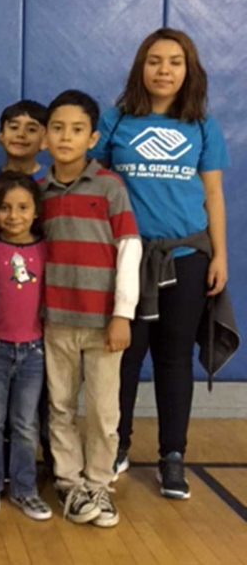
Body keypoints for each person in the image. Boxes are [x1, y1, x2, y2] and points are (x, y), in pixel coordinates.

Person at [91, 28, 234, 499]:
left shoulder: (201, 124)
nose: (164, 70)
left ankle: (173, 456)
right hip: (128, 257)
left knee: (174, 360)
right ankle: (117, 445)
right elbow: (92, 181)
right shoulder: (115, 121)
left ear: (188, 70)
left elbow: (213, 194)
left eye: (175, 61)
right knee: (126, 357)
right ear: (140, 66)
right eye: (155, 60)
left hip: (188, 258)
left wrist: (220, 255)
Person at [42, 90, 141, 527]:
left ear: (93, 137)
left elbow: (130, 249)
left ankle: (100, 482)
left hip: (103, 324)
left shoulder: (109, 186)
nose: (66, 136)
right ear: (45, 137)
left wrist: (123, 313)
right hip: (55, 321)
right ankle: (69, 483)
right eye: (58, 128)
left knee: (103, 411)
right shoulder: (39, 191)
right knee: (60, 406)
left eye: (77, 129)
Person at [0, 171, 51, 521]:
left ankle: (24, 488)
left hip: (33, 351)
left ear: (36, 211)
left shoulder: (46, 249)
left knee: (25, 424)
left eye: (22, 207)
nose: (14, 215)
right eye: (5, 207)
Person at [0, 100, 47, 197]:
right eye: (14, 127)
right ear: (1, 135)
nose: (21, 134)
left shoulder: (51, 181)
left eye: (31, 129)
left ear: (45, 140)